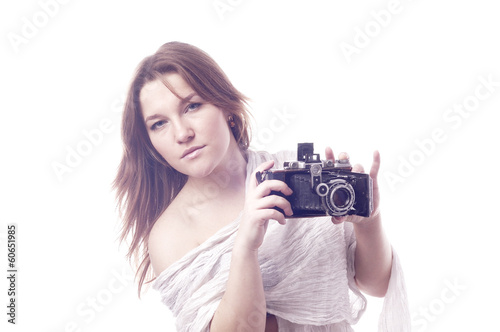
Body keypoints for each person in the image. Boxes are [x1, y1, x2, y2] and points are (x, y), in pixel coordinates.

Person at [114, 41, 410, 331]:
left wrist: (369, 220)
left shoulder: (298, 178)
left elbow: (377, 283)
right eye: (158, 124)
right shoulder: (170, 234)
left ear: (225, 106)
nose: (182, 133)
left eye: (192, 106)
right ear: (151, 144)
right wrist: (245, 247)